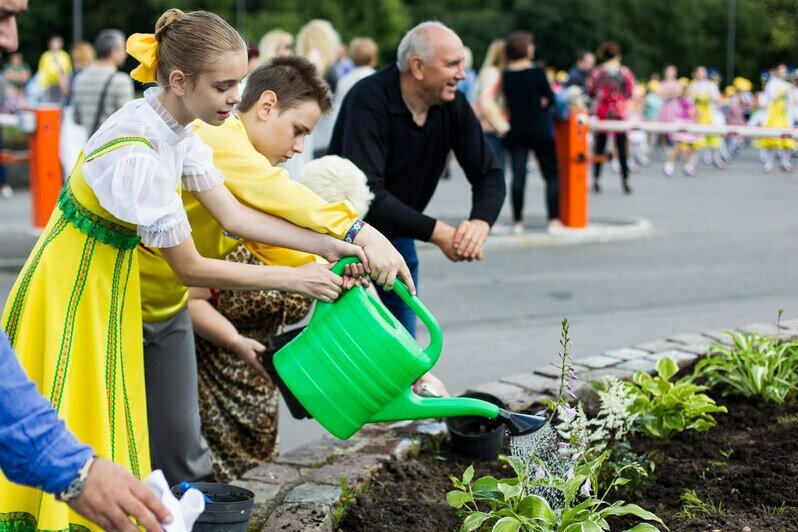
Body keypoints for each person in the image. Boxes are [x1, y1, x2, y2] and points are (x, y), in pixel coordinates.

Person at [0, 9, 370, 529]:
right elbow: (192, 268)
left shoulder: (177, 130)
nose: (234, 98)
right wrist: (295, 276)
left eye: (238, 82)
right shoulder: (139, 150)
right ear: (178, 80)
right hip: (72, 294)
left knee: (113, 430)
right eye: (223, 86)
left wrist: (328, 246)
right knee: (77, 428)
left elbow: (234, 214)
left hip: (107, 290)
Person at [137, 55, 411, 485]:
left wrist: (332, 262)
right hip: (129, 303)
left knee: (175, 449)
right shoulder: (221, 136)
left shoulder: (232, 155)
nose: (300, 147)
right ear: (265, 106)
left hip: (163, 306)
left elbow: (265, 237)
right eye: (299, 130)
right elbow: (271, 198)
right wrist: (359, 232)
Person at [0, 1, 167, 529]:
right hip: (77, 284)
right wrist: (69, 468)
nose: (10, 40)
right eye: (1, 15)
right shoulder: (138, 136)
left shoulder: (181, 136)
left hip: (98, 283)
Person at [329, 21, 506, 338]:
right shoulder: (368, 99)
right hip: (348, 241)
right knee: (354, 349)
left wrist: (480, 223)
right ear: (418, 67)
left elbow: (489, 173)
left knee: (402, 345)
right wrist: (441, 234)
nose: (462, 74)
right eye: (452, 64)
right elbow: (369, 194)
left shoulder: (453, 105)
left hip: (398, 237)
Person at [501, 31, 560, 234]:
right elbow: (550, 98)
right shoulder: (537, 72)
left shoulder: (506, 75)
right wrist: (541, 106)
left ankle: (518, 222)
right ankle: (553, 220)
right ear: (525, 49)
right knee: (551, 174)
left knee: (518, 177)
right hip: (539, 128)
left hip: (516, 129)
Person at [588, 41, 635, 194]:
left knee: (599, 146)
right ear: (619, 56)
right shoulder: (625, 72)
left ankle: (596, 177)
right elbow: (629, 92)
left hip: (602, 111)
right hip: (620, 112)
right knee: (621, 147)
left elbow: (591, 90)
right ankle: (625, 178)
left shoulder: (597, 72)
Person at [72, 29, 134, 136]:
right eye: (123, 49)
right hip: (113, 147)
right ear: (113, 52)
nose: (125, 54)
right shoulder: (121, 81)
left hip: (91, 148)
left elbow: (76, 118)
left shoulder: (80, 78)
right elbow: (127, 122)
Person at [474, 39, 509, 175]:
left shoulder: (487, 71)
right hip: (492, 128)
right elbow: (486, 100)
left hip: (488, 127)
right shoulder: (493, 73)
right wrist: (500, 125)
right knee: (495, 173)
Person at [755, 64, 795, 173]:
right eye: (781, 71)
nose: (783, 73)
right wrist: (785, 91)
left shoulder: (787, 85)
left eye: (784, 71)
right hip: (774, 115)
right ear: (777, 72)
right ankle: (768, 163)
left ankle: (785, 162)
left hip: (785, 115)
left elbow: (791, 99)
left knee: (787, 140)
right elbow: (772, 95)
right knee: (772, 141)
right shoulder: (772, 83)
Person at [689, 66, 725, 169]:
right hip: (697, 115)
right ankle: (692, 164)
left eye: (703, 72)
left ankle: (716, 159)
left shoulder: (710, 85)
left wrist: (708, 99)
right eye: (699, 72)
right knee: (696, 141)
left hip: (710, 115)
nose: (701, 74)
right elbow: (689, 101)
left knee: (714, 139)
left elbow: (717, 99)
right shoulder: (693, 85)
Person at [37, 34, 71, 104]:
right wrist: (43, 83)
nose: (56, 44)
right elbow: (42, 70)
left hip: (60, 85)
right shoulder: (45, 55)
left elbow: (68, 70)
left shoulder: (64, 55)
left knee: (60, 103)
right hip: (48, 85)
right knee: (48, 103)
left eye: (58, 42)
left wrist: (66, 82)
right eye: (54, 42)